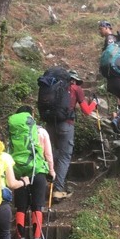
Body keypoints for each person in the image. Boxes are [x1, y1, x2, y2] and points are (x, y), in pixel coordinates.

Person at [44, 69, 98, 200]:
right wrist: (95, 103)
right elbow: (86, 110)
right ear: (74, 80)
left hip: (50, 125)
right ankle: (58, 190)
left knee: (54, 152)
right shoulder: (76, 88)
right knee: (64, 156)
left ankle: (50, 178)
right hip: (66, 125)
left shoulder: (53, 87)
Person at [8, 106, 55, 239]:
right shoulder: (41, 131)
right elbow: (48, 154)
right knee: (37, 205)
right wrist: (51, 171)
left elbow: (9, 153)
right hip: (38, 171)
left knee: (21, 206)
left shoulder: (13, 132)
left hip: (19, 171)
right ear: (31, 115)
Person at [98, 19, 120, 133]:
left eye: (101, 29)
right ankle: (118, 119)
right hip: (116, 76)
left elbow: (111, 58)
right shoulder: (115, 41)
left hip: (111, 78)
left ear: (106, 28)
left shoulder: (110, 39)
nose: (100, 31)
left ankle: (118, 119)